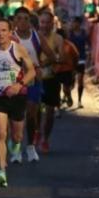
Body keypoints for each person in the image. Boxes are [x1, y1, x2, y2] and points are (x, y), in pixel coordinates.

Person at [0, 18, 35, 187]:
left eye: (4, 30)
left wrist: (19, 85)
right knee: (0, 132)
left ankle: (17, 143)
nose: (0, 34)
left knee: (17, 135)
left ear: (10, 32)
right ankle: (1, 171)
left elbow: (32, 71)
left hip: (17, 96)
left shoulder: (18, 49)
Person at [12, 7, 43, 162]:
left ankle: (30, 147)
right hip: (15, 79)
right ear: (14, 21)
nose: (22, 22)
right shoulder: (11, 38)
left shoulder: (36, 36)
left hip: (32, 79)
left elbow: (50, 55)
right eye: (19, 18)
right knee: (16, 116)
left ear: (30, 21)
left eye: (26, 18)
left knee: (31, 113)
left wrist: (40, 67)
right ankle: (16, 149)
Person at [37, 10, 64, 154]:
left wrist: (50, 61)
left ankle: (45, 139)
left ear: (52, 23)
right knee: (34, 110)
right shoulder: (33, 37)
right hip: (35, 78)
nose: (44, 25)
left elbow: (62, 58)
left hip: (51, 79)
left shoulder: (58, 39)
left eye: (47, 22)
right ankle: (36, 131)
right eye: (42, 22)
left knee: (49, 112)